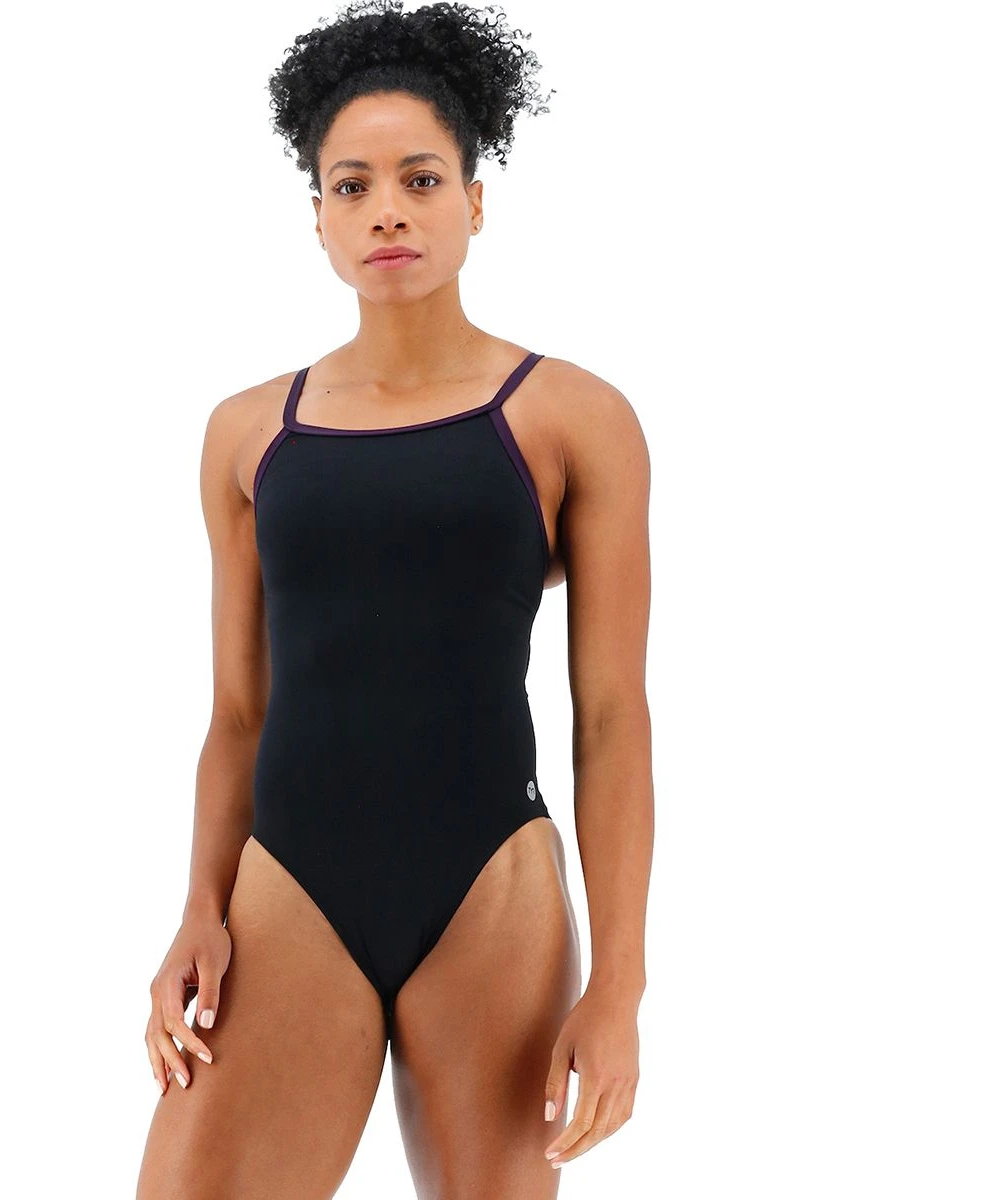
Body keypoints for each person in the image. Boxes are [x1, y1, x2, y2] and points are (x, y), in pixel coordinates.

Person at [137, 2, 653, 1195]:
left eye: (421, 179)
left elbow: (613, 715)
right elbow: (237, 712)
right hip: (288, 889)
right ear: (316, 217)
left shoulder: (574, 417)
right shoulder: (247, 434)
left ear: (476, 199)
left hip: (492, 889)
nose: (388, 211)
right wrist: (199, 907)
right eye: (352, 185)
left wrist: (619, 981)